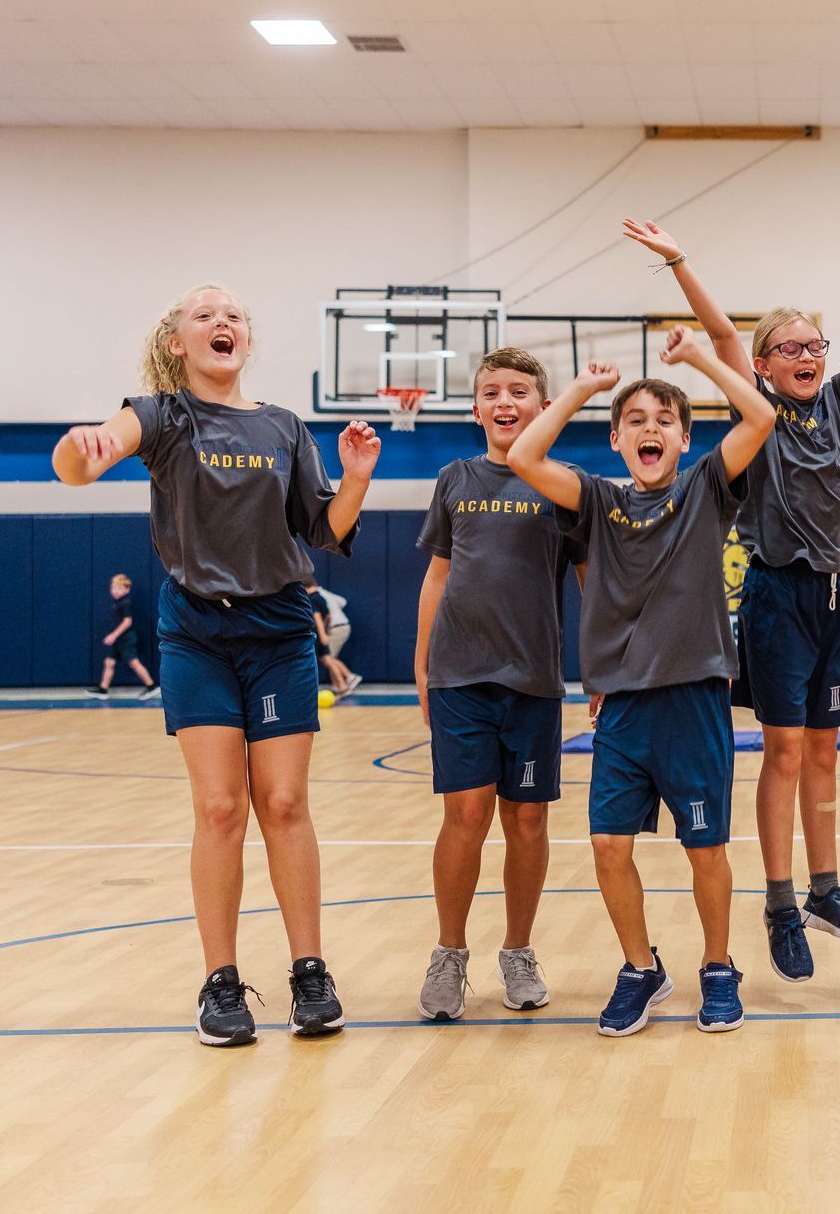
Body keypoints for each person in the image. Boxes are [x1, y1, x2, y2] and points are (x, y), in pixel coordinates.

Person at [620, 214, 840, 982]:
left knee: (823, 751)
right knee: (781, 751)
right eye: (792, 348)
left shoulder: (839, 406)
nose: (809, 356)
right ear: (764, 365)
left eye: (816, 346)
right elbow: (720, 332)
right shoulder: (756, 410)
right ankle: (779, 904)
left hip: (838, 594)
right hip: (778, 595)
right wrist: (678, 260)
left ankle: (823, 889)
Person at [51, 283, 380, 1046]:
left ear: (246, 340)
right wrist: (81, 446)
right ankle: (221, 984)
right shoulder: (162, 415)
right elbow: (81, 466)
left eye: (233, 316)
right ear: (179, 342)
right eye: (205, 315)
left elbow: (323, 530)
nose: (221, 322)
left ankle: (310, 974)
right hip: (197, 632)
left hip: (278, 631)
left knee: (285, 803)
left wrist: (357, 479)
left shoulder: (284, 427)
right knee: (221, 808)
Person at [508, 324, 774, 1037]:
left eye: (664, 420)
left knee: (705, 848)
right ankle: (640, 967)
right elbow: (525, 454)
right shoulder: (596, 499)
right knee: (608, 845)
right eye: (634, 421)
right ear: (616, 441)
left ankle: (717, 967)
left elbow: (761, 417)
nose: (649, 429)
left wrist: (699, 358)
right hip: (622, 705)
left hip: (695, 700)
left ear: (685, 439)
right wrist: (581, 389)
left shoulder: (706, 489)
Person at [413, 347, 586, 1020]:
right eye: (492, 392)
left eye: (518, 391)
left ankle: (518, 951)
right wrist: (422, 666)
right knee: (464, 814)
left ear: (543, 406)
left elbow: (590, 582)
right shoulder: (454, 478)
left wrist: (601, 666)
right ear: (476, 409)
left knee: (529, 819)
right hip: (460, 675)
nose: (505, 401)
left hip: (533, 678)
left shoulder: (565, 484)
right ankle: (448, 954)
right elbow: (438, 574)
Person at [88, 573, 159, 699]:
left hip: (125, 638)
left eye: (119, 588)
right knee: (109, 662)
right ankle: (103, 690)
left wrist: (113, 635)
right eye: (113, 588)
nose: (115, 591)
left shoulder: (125, 603)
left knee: (133, 662)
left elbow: (127, 622)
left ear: (127, 590)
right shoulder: (118, 602)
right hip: (119, 639)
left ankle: (151, 686)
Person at [304, 578, 360, 697]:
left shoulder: (312, 599)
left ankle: (346, 681)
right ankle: (339, 684)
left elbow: (317, 617)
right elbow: (328, 616)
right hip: (333, 628)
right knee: (328, 658)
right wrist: (326, 629)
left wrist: (323, 634)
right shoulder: (321, 596)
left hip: (331, 630)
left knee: (328, 658)